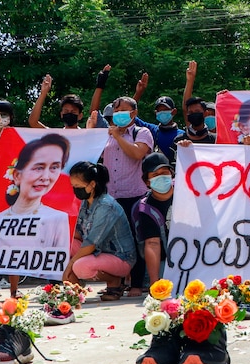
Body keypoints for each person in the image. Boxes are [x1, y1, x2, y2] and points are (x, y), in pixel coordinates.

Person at [0, 134, 72, 297]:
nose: (46, 177)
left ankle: (14, 291)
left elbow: (57, 266)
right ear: (17, 175)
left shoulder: (58, 219)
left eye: (54, 167)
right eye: (38, 167)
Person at [91, 96, 153, 297]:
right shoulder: (106, 135)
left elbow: (137, 154)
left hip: (135, 196)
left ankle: (136, 284)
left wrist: (118, 136)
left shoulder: (141, 132)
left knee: (136, 241)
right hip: (111, 197)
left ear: (134, 113)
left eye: (123, 111)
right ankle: (114, 286)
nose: (118, 115)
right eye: (116, 112)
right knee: (110, 241)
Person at [65, 162, 136, 301]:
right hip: (97, 252)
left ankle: (114, 281)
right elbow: (81, 234)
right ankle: (74, 290)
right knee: (62, 244)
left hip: (119, 257)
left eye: (78, 187)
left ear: (92, 184)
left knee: (79, 266)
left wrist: (70, 265)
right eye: (73, 187)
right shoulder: (85, 203)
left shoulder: (105, 206)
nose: (75, 190)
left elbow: (91, 243)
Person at [132, 153, 174, 287]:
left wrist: (189, 150)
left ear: (171, 174)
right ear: (147, 181)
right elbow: (152, 244)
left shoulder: (187, 191)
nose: (161, 177)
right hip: (166, 261)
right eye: (155, 175)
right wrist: (155, 285)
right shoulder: (145, 208)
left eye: (164, 173)